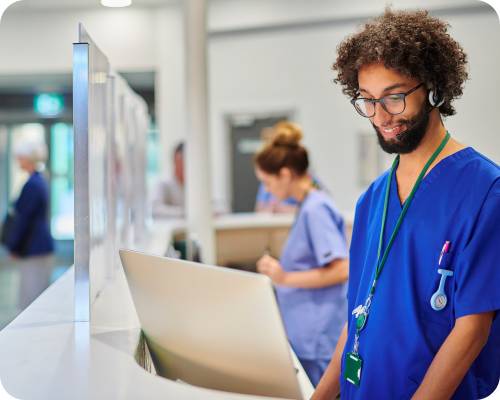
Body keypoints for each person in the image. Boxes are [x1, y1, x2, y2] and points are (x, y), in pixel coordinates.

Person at [313, 9, 499, 400]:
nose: (380, 116)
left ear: (433, 88)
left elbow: (472, 330)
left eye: (394, 97)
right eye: (367, 100)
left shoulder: (485, 191)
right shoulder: (372, 200)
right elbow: (356, 316)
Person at [254, 121, 349, 386]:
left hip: (318, 338)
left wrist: (284, 278)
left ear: (285, 174)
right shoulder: (307, 205)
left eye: (267, 183)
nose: (268, 191)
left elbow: (342, 269)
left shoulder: (315, 209)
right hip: (306, 335)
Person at [4, 140, 54, 309]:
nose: (18, 161)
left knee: (31, 299)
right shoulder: (39, 180)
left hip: (34, 248)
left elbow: (24, 219)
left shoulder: (33, 184)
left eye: (20, 157)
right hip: (37, 246)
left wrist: (14, 247)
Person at [152, 142, 185, 218]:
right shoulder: (163, 183)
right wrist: (185, 212)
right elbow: (155, 210)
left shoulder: (193, 187)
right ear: (175, 159)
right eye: (181, 159)